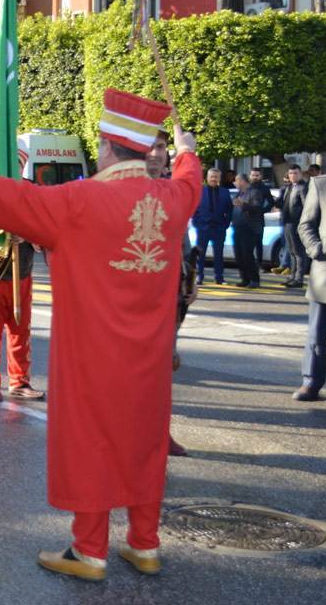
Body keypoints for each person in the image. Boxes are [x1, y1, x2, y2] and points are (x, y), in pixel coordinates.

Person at [0, 88, 201, 581]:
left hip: (93, 358)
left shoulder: (79, 201)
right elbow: (190, 179)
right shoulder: (172, 199)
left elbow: (13, 199)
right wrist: (186, 147)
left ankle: (90, 551)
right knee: (145, 443)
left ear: (109, 147)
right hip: (149, 361)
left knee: (95, 443)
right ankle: (144, 544)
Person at [146, 131, 192, 458]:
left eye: (162, 146)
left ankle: (160, 433)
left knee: (163, 370)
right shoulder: (118, 188)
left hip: (169, 293)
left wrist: (189, 279)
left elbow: (182, 239)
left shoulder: (173, 191)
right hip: (135, 296)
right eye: (149, 146)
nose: (156, 153)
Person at [0, 228, 44, 402]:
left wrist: (27, 234)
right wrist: (3, 235)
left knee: (21, 330)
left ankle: (20, 382)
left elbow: (43, 226)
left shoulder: (33, 200)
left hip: (22, 272)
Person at [294, 169, 326, 402]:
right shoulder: (322, 185)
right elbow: (306, 225)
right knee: (317, 334)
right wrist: (316, 250)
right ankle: (311, 382)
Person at [191, 168, 232, 285]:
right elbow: (193, 209)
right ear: (207, 178)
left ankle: (219, 277)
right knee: (200, 254)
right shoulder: (199, 191)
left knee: (218, 254)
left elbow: (229, 210)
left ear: (219, 178)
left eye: (216, 177)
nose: (214, 179)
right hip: (203, 227)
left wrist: (226, 224)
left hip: (219, 228)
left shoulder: (225, 192)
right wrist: (197, 223)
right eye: (212, 176)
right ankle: (199, 276)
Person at [277, 164, 309, 289]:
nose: (292, 176)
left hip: (297, 224)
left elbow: (307, 207)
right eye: (290, 173)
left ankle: (299, 278)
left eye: (295, 173)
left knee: (299, 252)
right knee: (291, 251)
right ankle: (292, 276)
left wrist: (303, 224)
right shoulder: (289, 187)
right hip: (287, 222)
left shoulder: (302, 187)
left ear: (300, 174)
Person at [232, 174, 263, 288]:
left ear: (242, 181)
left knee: (247, 255)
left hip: (249, 229)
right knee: (239, 255)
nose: (235, 183)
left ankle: (254, 279)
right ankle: (245, 278)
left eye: (236, 181)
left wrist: (243, 204)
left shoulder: (254, 192)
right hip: (238, 228)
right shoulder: (239, 193)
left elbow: (257, 208)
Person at [248, 168, 274, 267]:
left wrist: (262, 210)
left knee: (258, 243)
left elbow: (271, 202)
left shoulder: (264, 188)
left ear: (261, 176)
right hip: (246, 220)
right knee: (247, 244)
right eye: (253, 175)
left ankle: (259, 264)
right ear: (250, 176)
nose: (255, 177)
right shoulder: (246, 186)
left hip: (258, 220)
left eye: (257, 175)